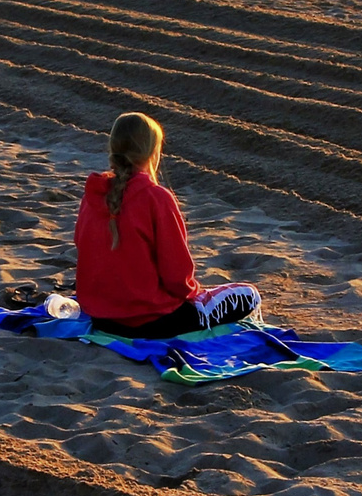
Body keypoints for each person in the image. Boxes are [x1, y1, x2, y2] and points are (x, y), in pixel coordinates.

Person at [73, 112, 261, 338]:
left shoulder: (93, 195)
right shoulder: (156, 197)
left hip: (101, 317)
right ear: (153, 152)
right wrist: (193, 294)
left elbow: (84, 249)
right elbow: (177, 278)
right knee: (248, 295)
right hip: (153, 321)